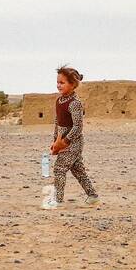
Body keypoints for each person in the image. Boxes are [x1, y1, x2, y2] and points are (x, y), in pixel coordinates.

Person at [48, 64, 98, 208]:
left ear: (73, 84)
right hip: (61, 140)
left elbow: (78, 127)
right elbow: (57, 122)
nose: (58, 85)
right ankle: (93, 196)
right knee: (78, 170)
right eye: (58, 82)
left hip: (73, 142)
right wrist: (55, 141)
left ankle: (57, 200)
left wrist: (65, 141)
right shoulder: (59, 101)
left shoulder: (75, 103)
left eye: (62, 83)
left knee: (59, 169)